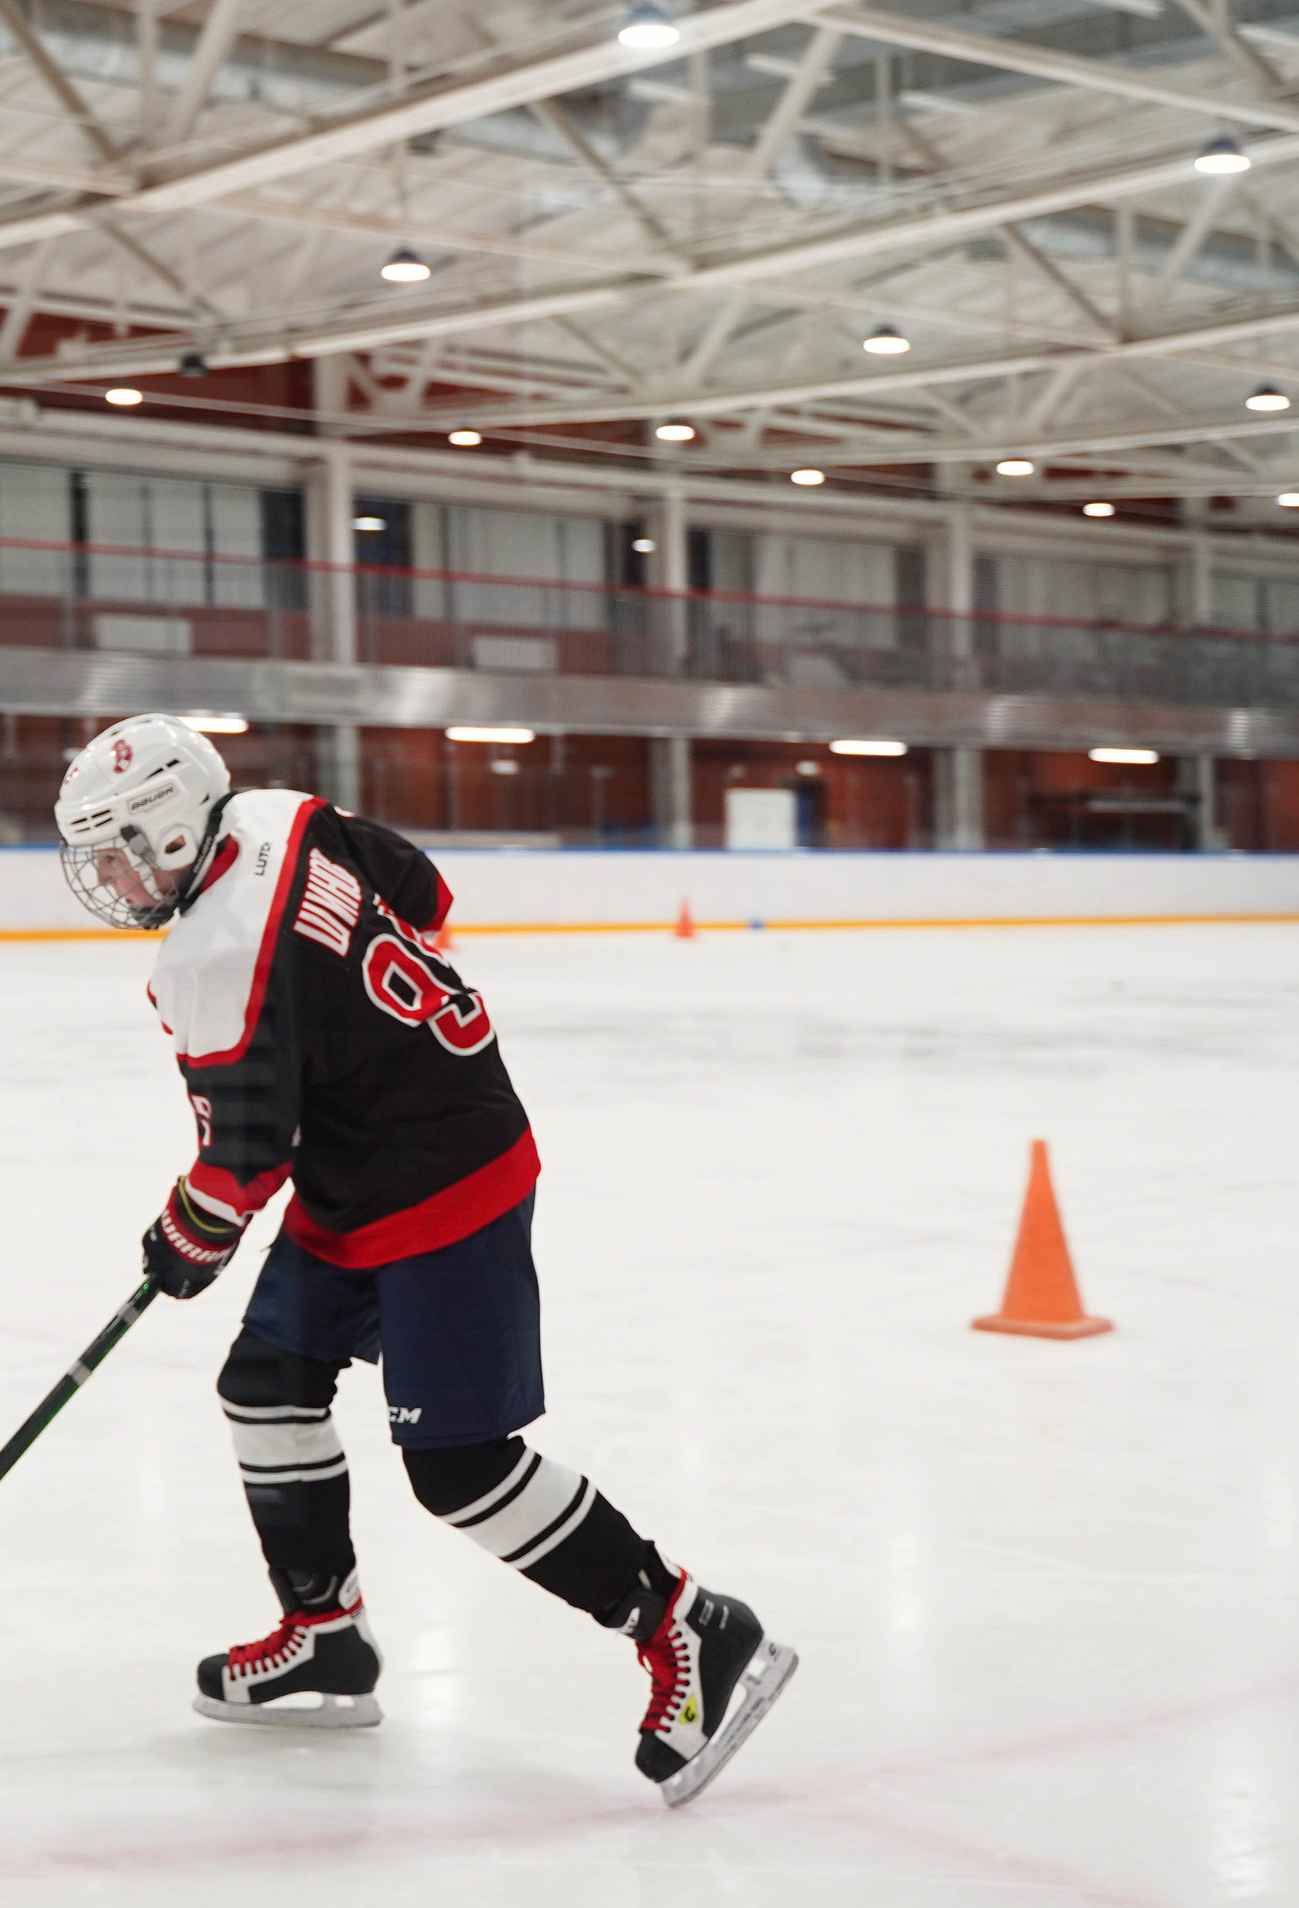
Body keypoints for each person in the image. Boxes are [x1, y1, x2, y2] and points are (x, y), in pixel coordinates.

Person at [54, 713, 796, 1806]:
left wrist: (182, 1233)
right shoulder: (281, 814)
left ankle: (689, 1624)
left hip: (445, 1181)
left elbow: (243, 1158)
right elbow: (424, 891)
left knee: (461, 1466)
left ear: (170, 831)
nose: (109, 876)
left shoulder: (209, 954)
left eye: (118, 846)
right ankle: (325, 1636)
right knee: (267, 1385)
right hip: (374, 1158)